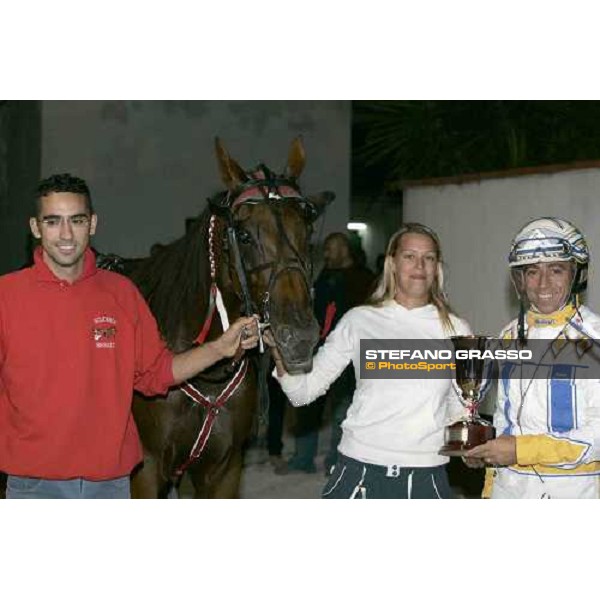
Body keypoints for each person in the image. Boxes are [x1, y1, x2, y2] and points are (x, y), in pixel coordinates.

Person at [0, 173, 259, 499]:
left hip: (110, 486)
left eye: (76, 220)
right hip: (34, 486)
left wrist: (219, 348)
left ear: (92, 224)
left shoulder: (121, 294)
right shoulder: (7, 296)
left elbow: (157, 373)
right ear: (36, 228)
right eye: (53, 222)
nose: (66, 234)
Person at [267, 223, 471, 498]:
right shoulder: (359, 321)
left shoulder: (457, 331)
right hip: (358, 471)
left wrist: (474, 442)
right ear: (392, 264)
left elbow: (459, 409)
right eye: (409, 256)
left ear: (437, 268)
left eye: (429, 258)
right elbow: (303, 392)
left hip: (426, 476)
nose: (420, 265)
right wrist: (279, 354)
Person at [465, 217, 600, 498]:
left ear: (576, 274)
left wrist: (520, 449)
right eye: (532, 272)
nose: (543, 283)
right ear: (520, 279)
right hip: (508, 489)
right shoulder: (508, 335)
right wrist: (484, 449)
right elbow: (505, 418)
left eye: (556, 270)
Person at [287, 232, 374, 474]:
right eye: (325, 249)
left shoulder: (363, 278)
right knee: (308, 406)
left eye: (330, 249)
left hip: (350, 356)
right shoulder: (325, 275)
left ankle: (336, 462)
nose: (325, 254)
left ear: (344, 249)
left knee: (342, 412)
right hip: (320, 351)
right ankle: (302, 459)